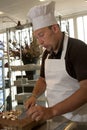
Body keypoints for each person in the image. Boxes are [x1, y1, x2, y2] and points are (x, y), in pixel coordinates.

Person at [25, 1, 87, 129]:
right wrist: (34, 95)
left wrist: (51, 111)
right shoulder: (47, 54)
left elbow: (86, 89)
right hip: (58, 119)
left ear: (55, 28)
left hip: (80, 121)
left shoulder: (77, 49)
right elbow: (43, 80)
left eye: (41, 35)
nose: (40, 42)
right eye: (37, 38)